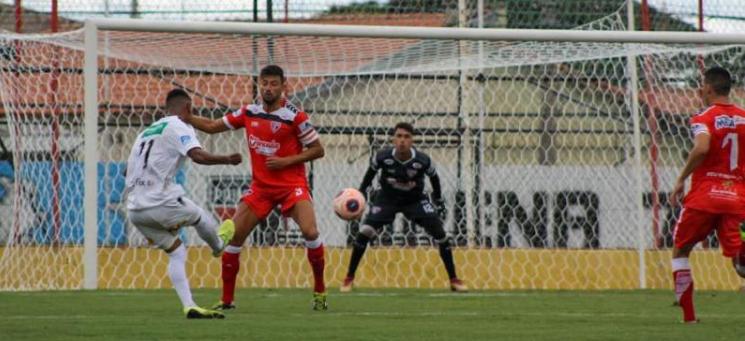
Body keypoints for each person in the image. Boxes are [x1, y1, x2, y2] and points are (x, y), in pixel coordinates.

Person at [185, 65, 328, 310]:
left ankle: (319, 291)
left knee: (310, 232)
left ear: (284, 86)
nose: (268, 88)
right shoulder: (248, 112)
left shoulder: (296, 116)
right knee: (234, 238)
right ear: (259, 85)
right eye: (264, 83)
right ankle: (227, 300)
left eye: (274, 84)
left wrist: (285, 161)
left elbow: (318, 150)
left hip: (291, 185)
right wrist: (186, 118)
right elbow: (211, 126)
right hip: (261, 188)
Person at [125, 89, 242, 319]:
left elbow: (126, 171)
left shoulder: (145, 133)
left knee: (177, 252)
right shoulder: (179, 125)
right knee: (197, 215)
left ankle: (189, 305)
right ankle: (218, 245)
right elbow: (197, 156)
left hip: (136, 209)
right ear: (188, 108)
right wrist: (227, 159)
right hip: (160, 201)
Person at [340, 122, 468, 293]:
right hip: (387, 199)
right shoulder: (382, 157)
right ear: (393, 139)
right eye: (399, 136)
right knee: (365, 232)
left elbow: (435, 179)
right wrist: (361, 195)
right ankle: (349, 278)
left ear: (412, 140)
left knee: (441, 235)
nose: (402, 141)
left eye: (406, 137)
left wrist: (438, 200)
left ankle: (454, 280)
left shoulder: (422, 160)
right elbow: (369, 176)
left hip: (414, 200)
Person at [669, 66, 745, 323]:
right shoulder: (744, 117)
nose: (700, 90)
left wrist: (681, 179)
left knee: (681, 251)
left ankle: (689, 317)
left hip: (704, 197)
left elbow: (701, 148)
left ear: (710, 88)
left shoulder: (703, 118)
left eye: (701, 86)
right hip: (736, 197)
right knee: (740, 264)